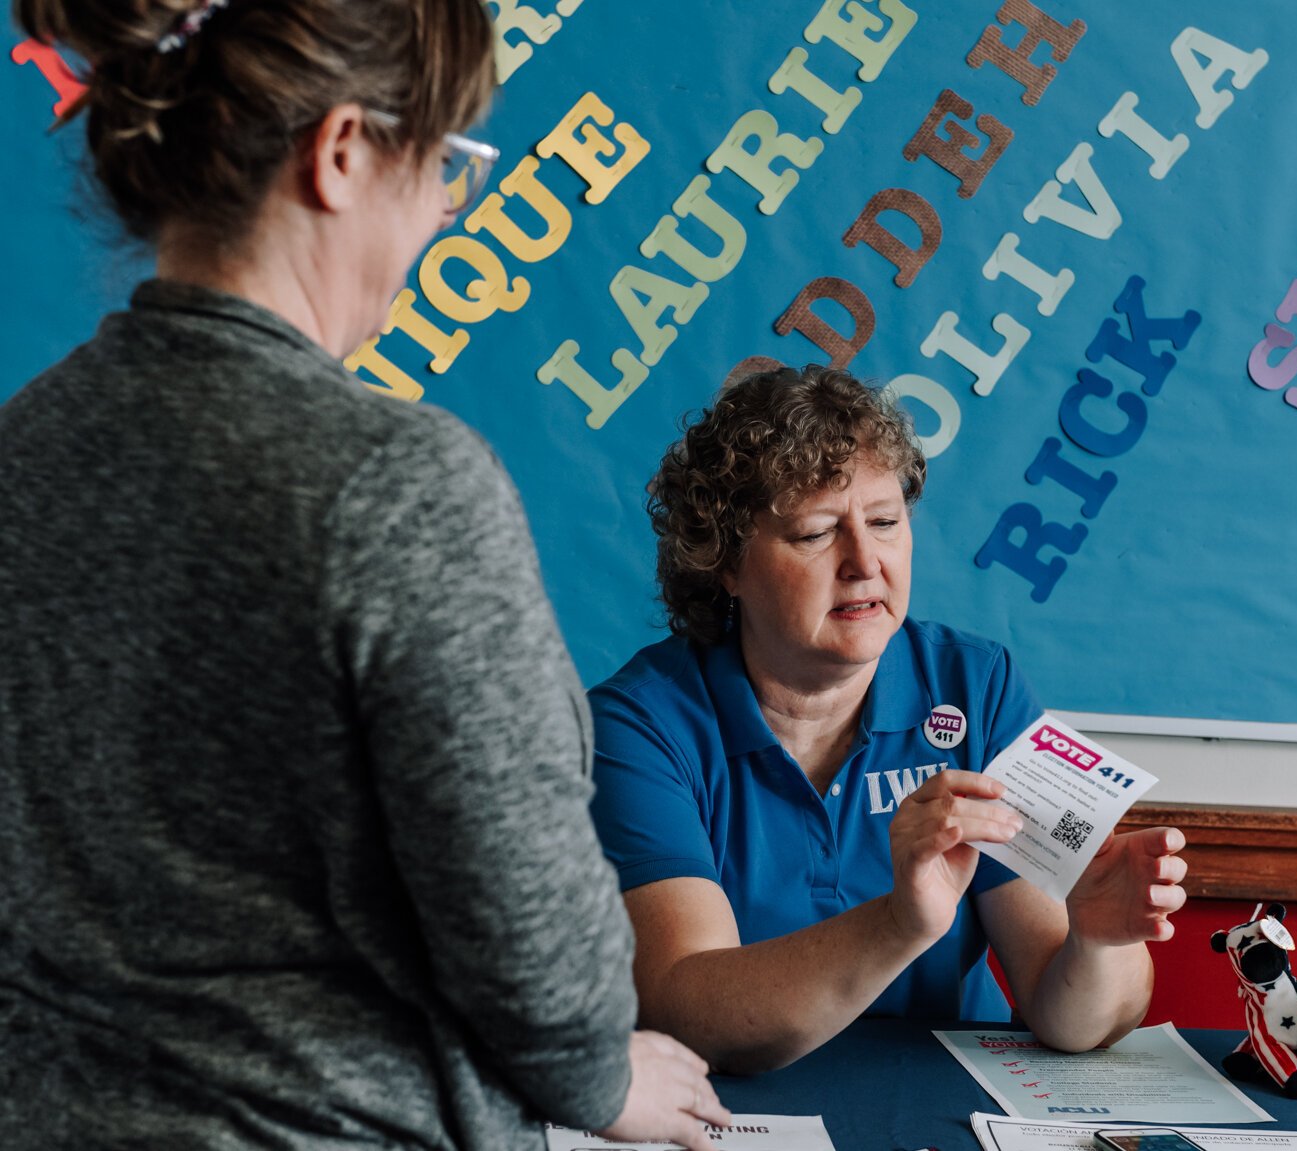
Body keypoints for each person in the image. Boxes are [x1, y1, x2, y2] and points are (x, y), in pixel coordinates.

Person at [0, 1, 725, 1148]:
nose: (445, 206)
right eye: (442, 162)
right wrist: (597, 1077)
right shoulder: (398, 483)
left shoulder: (21, 450)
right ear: (340, 153)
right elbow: (531, 935)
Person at [589, 365, 1189, 1075]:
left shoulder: (977, 687)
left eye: (884, 521)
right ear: (726, 563)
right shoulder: (638, 723)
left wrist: (1096, 942)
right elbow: (688, 1010)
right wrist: (903, 922)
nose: (865, 562)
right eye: (815, 533)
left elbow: (1074, 1017)